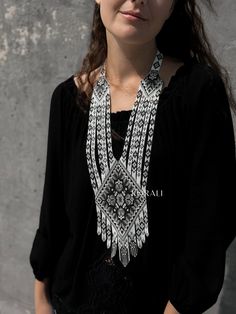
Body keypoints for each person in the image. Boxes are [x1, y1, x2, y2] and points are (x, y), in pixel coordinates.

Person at [29, 0, 236, 313]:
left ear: (172, 7)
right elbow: (54, 211)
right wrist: (41, 300)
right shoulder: (67, 100)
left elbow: (210, 222)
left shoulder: (197, 92)